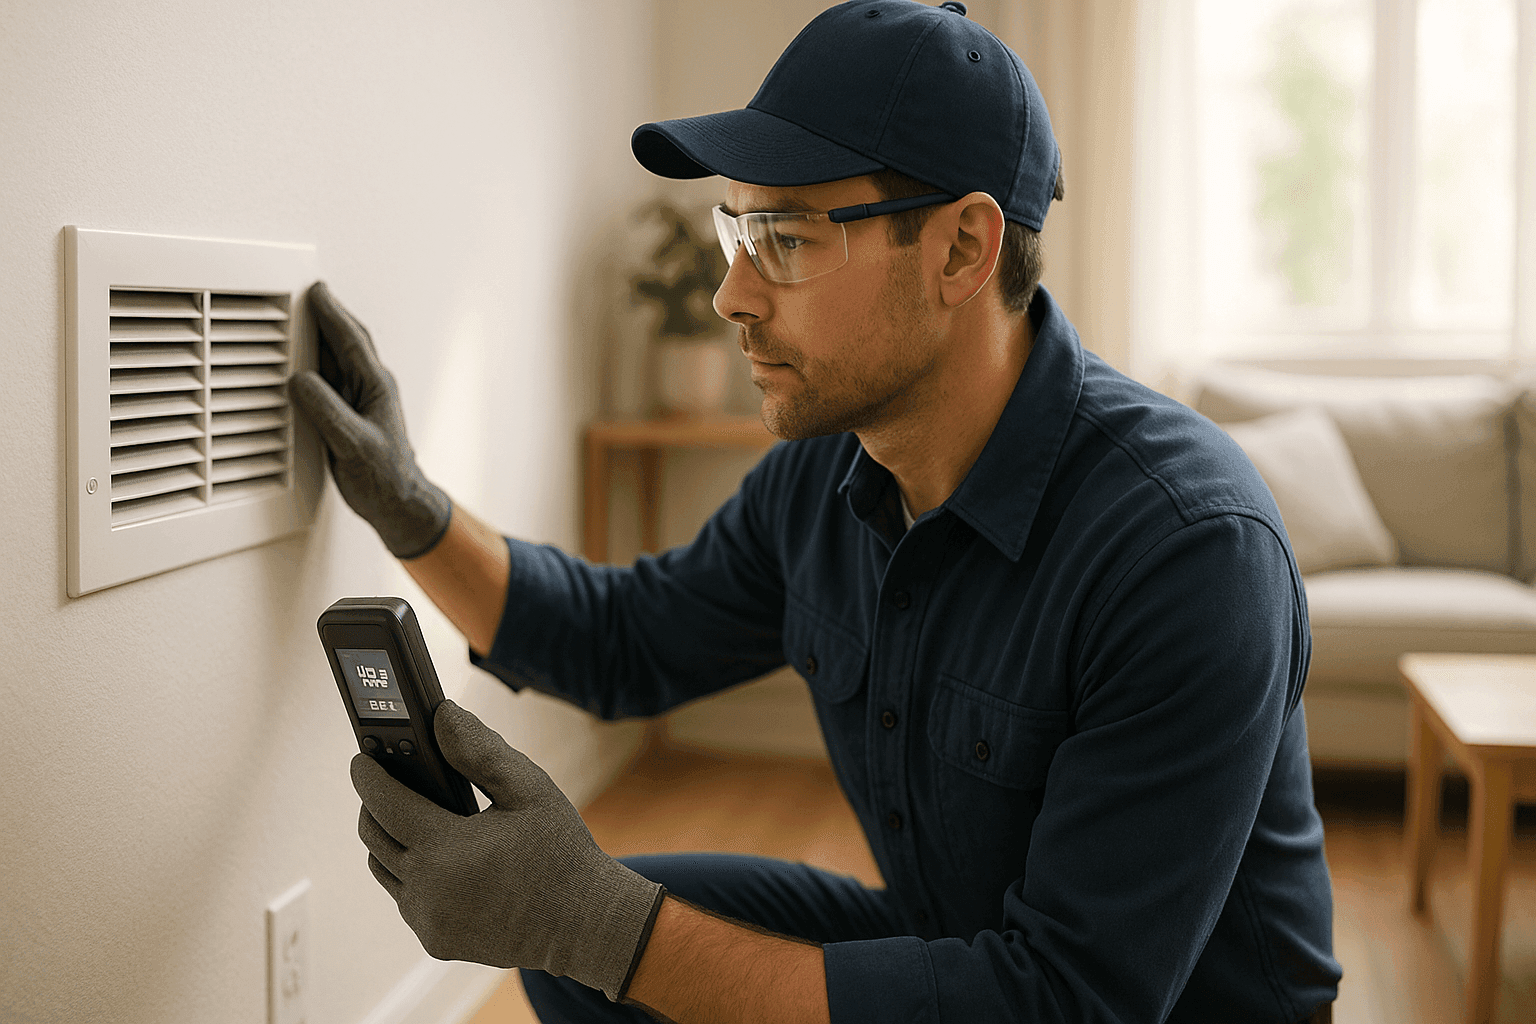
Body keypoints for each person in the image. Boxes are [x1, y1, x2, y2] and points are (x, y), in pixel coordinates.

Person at [290, 2, 1342, 1021]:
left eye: (785, 239)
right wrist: (408, 503)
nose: (732, 296)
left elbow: (1065, 999)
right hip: (962, 943)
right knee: (578, 967)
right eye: (735, 231)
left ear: (964, 251)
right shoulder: (828, 477)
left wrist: (600, 922)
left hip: (1106, 1003)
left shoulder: (1186, 547)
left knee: (606, 941)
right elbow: (621, 640)